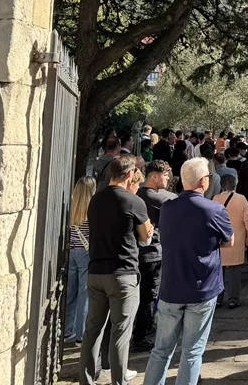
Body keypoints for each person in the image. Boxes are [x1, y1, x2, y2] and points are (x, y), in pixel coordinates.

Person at [143, 158, 234, 385]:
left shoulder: (167, 208)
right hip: (201, 288)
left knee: (160, 350)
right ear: (203, 181)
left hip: (171, 286)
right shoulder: (214, 209)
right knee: (192, 351)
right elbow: (229, 241)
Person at [79, 156, 152, 385]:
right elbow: (145, 235)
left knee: (93, 331)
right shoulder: (133, 201)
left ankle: (87, 380)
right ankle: (119, 381)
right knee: (121, 333)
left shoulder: (96, 200)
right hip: (123, 272)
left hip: (96, 271)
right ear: (130, 175)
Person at [132, 161, 175, 351]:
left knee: (137, 295)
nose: (169, 179)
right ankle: (142, 335)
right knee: (149, 296)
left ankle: (137, 330)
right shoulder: (161, 201)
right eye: (166, 175)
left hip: (134, 253)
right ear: (155, 176)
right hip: (152, 254)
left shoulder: (135, 195)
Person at [212, 173, 248, 309]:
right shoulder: (241, 199)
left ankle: (218, 298)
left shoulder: (215, 199)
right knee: (235, 270)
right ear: (235, 184)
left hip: (219, 238)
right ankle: (233, 299)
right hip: (237, 238)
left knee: (219, 269)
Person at [65, 176, 97, 344]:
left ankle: (66, 329)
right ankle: (80, 333)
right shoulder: (92, 209)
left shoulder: (71, 207)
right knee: (84, 294)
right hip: (86, 252)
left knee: (70, 292)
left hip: (72, 250)